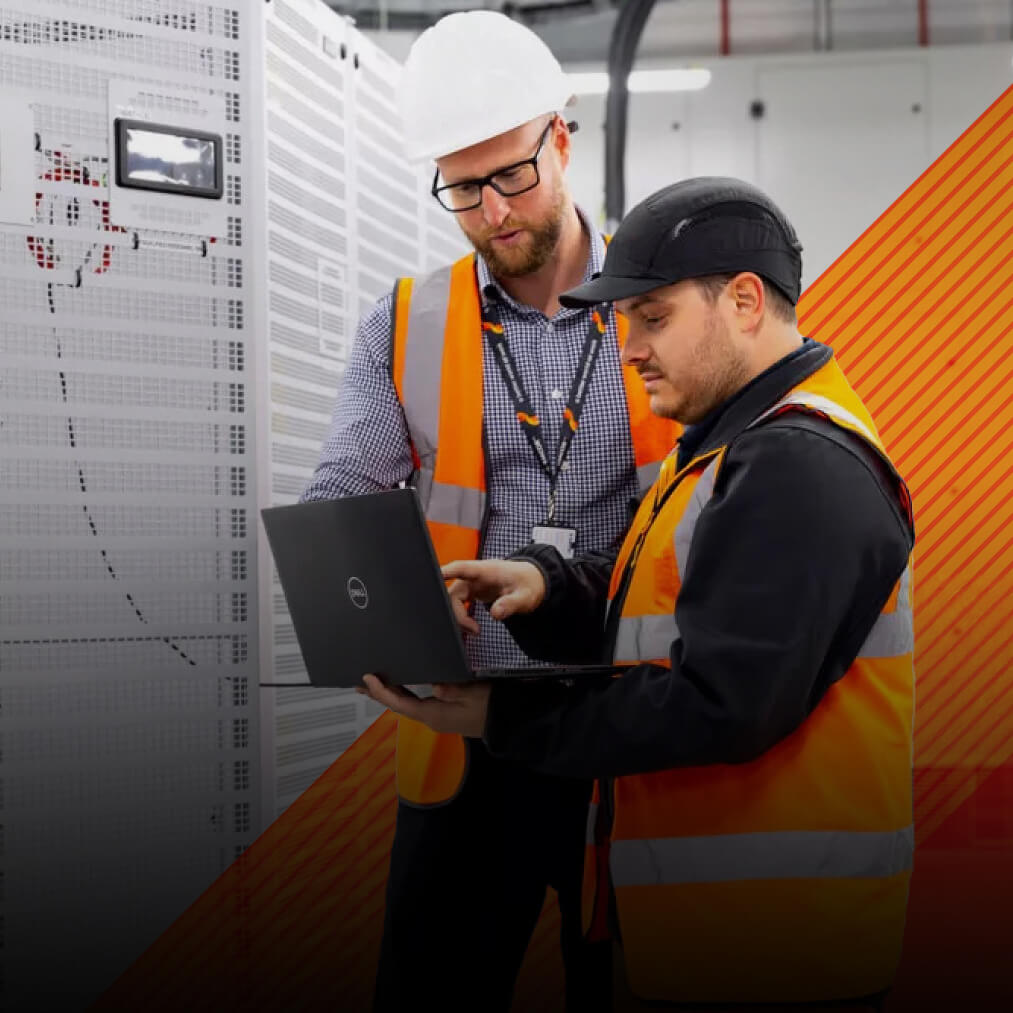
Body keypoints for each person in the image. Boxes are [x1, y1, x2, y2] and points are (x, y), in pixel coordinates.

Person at [361, 177, 916, 1012]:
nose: (629, 347)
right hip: (724, 935)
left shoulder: (796, 465)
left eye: (652, 318)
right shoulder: (732, 447)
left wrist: (498, 718)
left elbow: (719, 702)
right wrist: (543, 586)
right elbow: (660, 613)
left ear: (741, 301)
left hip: (778, 951)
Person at [301, 10, 679, 1012]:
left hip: (624, 723)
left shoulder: (662, 304)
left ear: (559, 139)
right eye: (461, 189)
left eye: (510, 175)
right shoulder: (406, 319)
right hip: (466, 733)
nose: (492, 211)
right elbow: (340, 488)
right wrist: (380, 595)